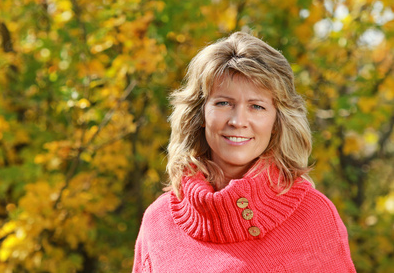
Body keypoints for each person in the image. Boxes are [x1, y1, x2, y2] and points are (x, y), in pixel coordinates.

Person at [132, 32, 356, 272]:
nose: (238, 121)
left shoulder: (313, 217)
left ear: (276, 121)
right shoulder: (158, 220)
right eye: (223, 103)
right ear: (200, 115)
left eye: (256, 106)